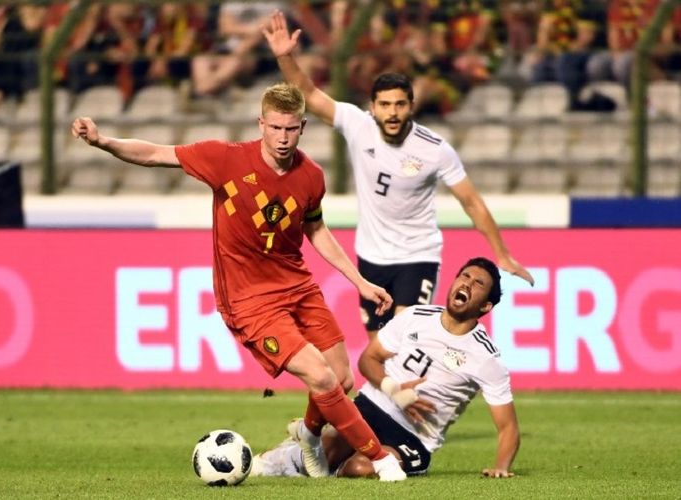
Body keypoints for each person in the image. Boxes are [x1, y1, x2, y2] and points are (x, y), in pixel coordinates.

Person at [71, 82, 406, 482]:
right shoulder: (225, 160)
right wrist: (103, 141)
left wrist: (359, 281)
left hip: (297, 285)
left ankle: (308, 434)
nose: (283, 138)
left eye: (292, 129)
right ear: (261, 123)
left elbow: (316, 230)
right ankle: (381, 459)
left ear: (302, 127)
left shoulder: (311, 176)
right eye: (276, 128)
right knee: (321, 377)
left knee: (343, 376)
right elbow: (156, 154)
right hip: (249, 300)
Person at [263, 11, 534, 340]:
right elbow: (306, 91)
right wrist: (285, 57)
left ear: (412, 105)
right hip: (371, 257)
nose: (393, 112)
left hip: (417, 256)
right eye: (386, 105)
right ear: (373, 107)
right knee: (378, 350)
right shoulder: (356, 124)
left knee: (403, 338)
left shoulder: (434, 149)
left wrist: (502, 254)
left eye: (400, 104)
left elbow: (472, 202)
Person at [251, 256, 520, 479]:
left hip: (414, 437)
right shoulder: (415, 316)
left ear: (486, 305)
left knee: (360, 468)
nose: (467, 283)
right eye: (464, 276)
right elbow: (368, 360)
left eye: (478, 283)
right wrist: (395, 390)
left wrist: (501, 467)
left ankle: (311, 450)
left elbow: (508, 427)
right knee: (330, 450)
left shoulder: (485, 356)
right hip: (372, 406)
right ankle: (288, 455)